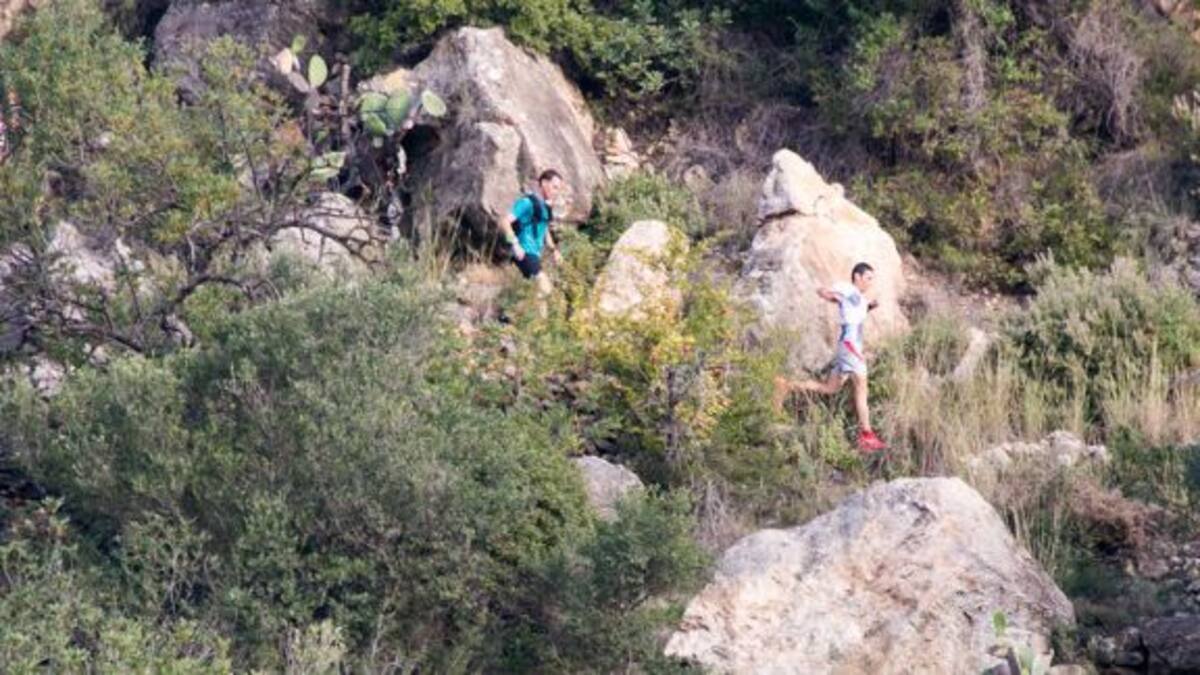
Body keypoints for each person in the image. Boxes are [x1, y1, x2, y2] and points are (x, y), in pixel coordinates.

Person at [773, 262, 888, 452]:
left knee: (830, 388)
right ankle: (867, 436)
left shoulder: (859, 298)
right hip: (850, 345)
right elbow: (828, 293)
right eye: (868, 278)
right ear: (857, 277)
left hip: (849, 346)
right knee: (861, 386)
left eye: (872, 279)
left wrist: (870, 306)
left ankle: (786, 385)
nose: (870, 282)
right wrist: (828, 294)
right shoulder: (848, 289)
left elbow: (854, 312)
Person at [499, 169, 564, 299]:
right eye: (554, 187)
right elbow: (504, 221)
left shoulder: (546, 208)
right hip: (524, 252)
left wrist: (554, 250)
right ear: (544, 183)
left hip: (535, 254)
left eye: (558, 189)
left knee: (536, 296)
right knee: (546, 289)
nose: (556, 192)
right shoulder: (527, 202)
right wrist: (515, 244)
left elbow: (544, 230)